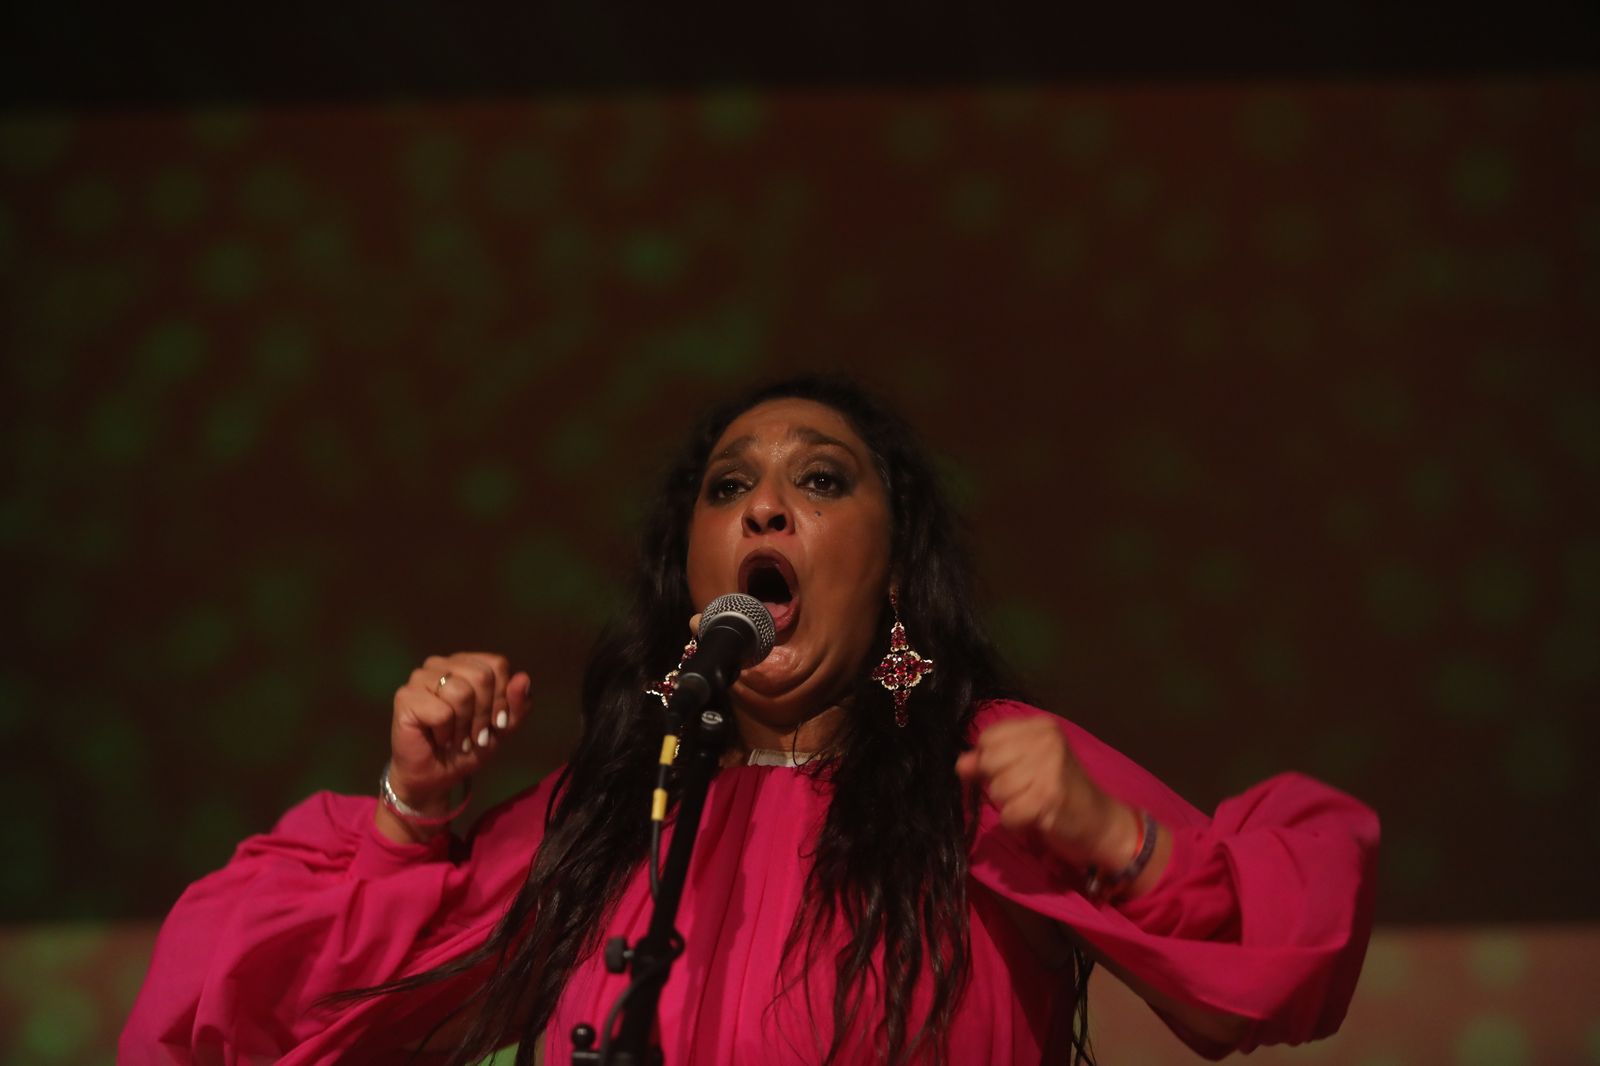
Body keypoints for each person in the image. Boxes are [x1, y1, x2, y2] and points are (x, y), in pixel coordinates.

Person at [121, 375, 1379, 1065]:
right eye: (731, 488)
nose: (765, 510)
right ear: (697, 563)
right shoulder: (624, 806)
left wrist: (1118, 837)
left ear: (890, 575)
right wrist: (415, 814)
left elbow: (1268, 973)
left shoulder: (983, 769)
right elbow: (263, 1023)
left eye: (818, 481)